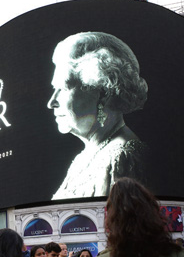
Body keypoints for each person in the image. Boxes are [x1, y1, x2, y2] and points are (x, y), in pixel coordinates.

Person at [47, 32, 147, 200]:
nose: (51, 102)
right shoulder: (85, 157)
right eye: (53, 89)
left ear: (102, 93)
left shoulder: (121, 157)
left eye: (63, 88)